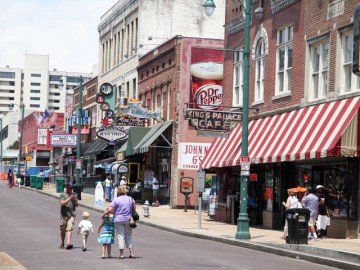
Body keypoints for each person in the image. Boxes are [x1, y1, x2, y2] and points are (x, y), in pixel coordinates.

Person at [102, 185, 135, 259]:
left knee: (120, 236)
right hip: (128, 219)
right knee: (128, 236)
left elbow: (110, 210)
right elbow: (134, 209)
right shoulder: (130, 199)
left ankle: (121, 254)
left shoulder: (116, 200)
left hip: (118, 219)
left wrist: (104, 214)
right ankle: (131, 253)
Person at [59, 183, 79, 249]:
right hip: (64, 215)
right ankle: (62, 243)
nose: (71, 189)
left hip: (72, 215)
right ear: (66, 188)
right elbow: (62, 203)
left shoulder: (74, 194)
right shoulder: (62, 194)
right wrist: (70, 198)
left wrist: (75, 200)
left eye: (71, 188)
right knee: (63, 230)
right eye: (69, 188)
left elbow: (77, 205)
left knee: (69, 229)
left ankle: (68, 243)